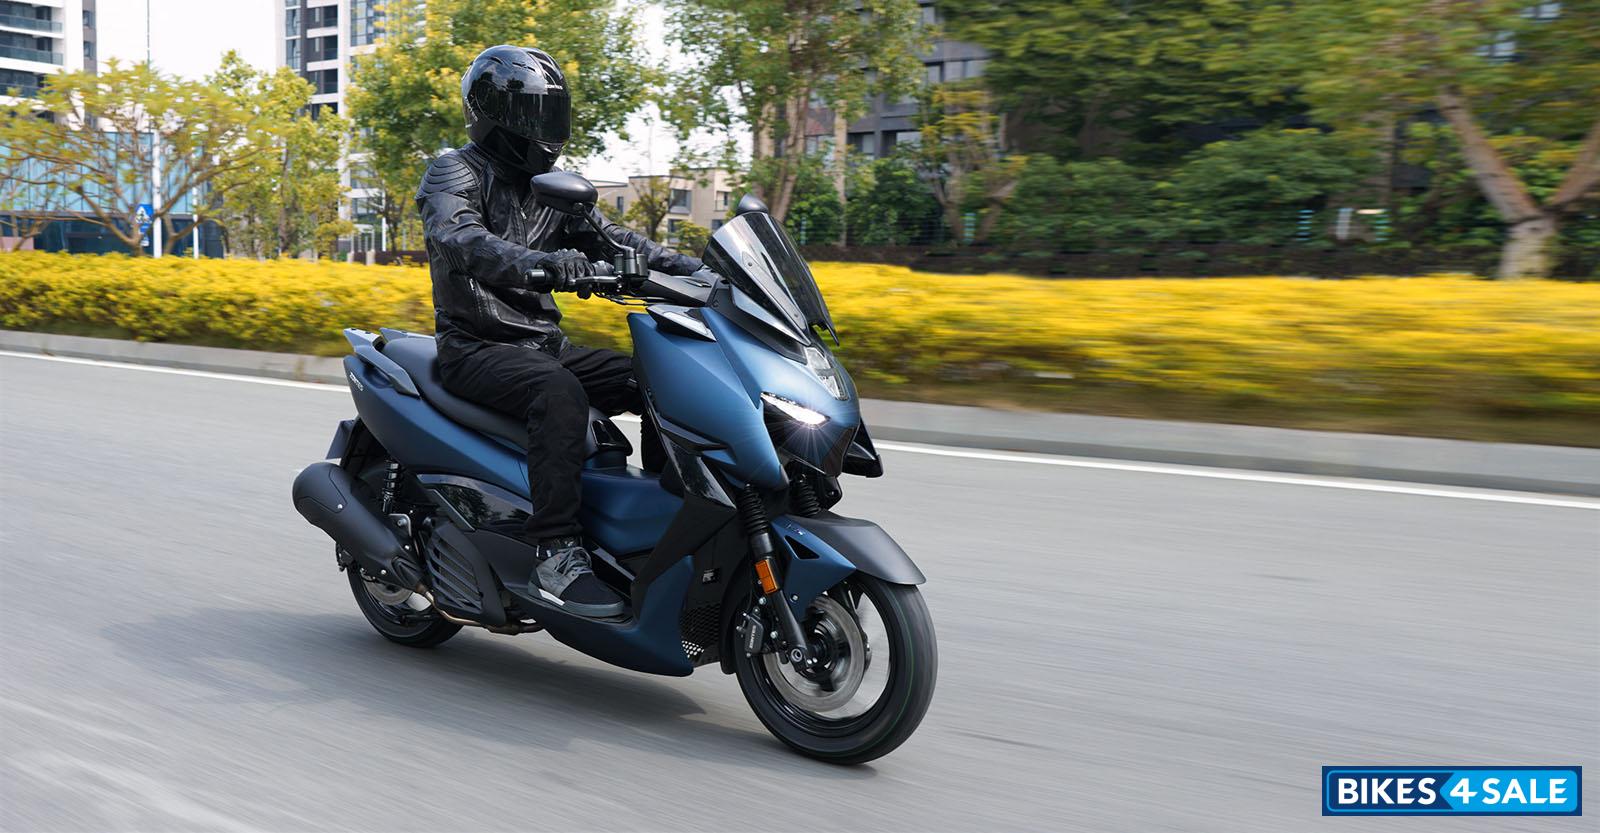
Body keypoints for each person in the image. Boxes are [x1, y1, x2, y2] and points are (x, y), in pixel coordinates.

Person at [416, 45, 702, 618]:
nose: (544, 129)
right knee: (558, 393)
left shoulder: (553, 187)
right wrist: (540, 264)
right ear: (493, 115)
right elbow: (460, 238)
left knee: (661, 375)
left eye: (550, 114)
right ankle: (556, 553)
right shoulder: (455, 170)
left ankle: (668, 517)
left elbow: (619, 243)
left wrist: (701, 270)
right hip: (477, 347)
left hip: (544, 345)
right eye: (531, 115)